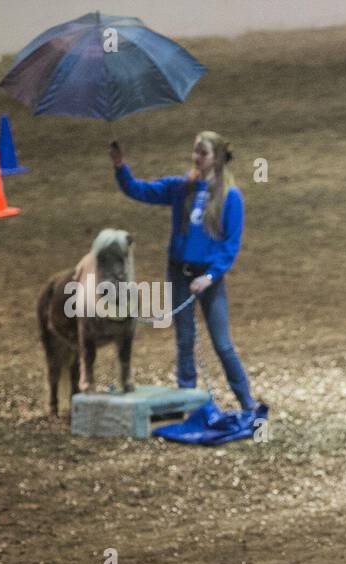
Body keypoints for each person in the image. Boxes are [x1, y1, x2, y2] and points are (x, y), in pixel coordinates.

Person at [109, 132, 259, 411]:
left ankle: (246, 401)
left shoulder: (230, 197)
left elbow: (230, 245)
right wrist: (120, 168)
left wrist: (210, 276)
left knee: (222, 343)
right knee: (185, 337)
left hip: (208, 277)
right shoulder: (182, 188)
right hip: (179, 272)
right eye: (195, 152)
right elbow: (139, 190)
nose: (196, 158)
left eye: (203, 153)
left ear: (216, 159)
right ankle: (186, 396)